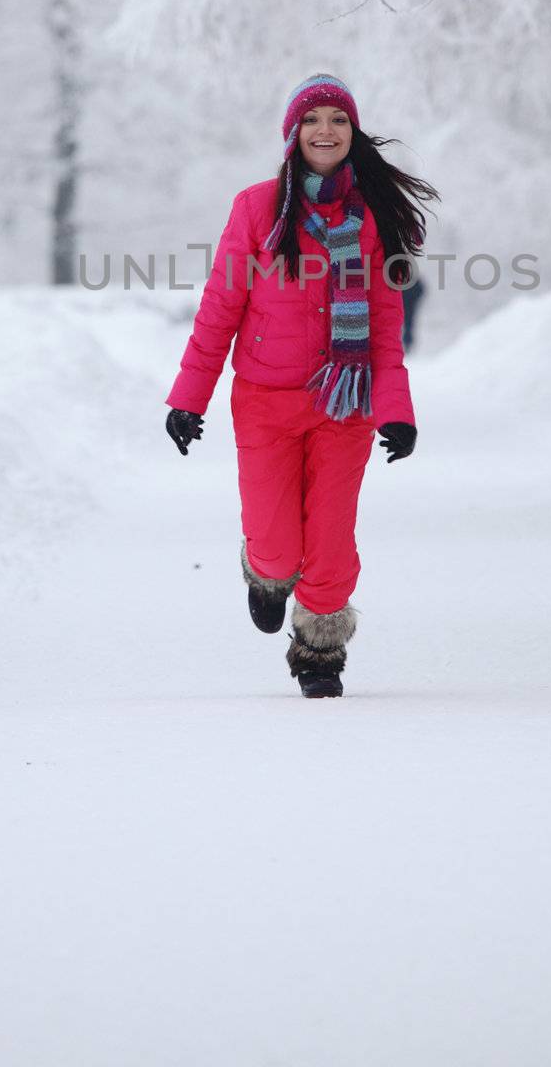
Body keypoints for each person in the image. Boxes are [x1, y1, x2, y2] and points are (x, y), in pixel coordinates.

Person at [164, 73, 440, 699]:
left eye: (338, 120)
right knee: (276, 545)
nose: (326, 131)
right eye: (313, 120)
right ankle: (263, 574)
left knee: (333, 545)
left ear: (353, 133)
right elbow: (220, 308)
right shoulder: (257, 208)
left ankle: (320, 648)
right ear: (293, 134)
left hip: (345, 404)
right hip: (264, 403)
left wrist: (396, 411)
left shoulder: (372, 218)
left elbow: (384, 327)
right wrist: (188, 397)